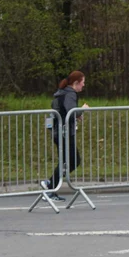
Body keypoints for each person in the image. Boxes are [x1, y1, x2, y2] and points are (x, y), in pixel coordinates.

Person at [42, 71, 88, 201]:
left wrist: (75, 116)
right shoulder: (70, 94)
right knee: (73, 161)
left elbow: (65, 111)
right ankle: (49, 184)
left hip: (60, 132)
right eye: (82, 82)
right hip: (64, 133)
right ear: (76, 83)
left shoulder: (63, 92)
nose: (83, 85)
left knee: (68, 161)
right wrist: (82, 109)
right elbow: (71, 111)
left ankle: (51, 189)